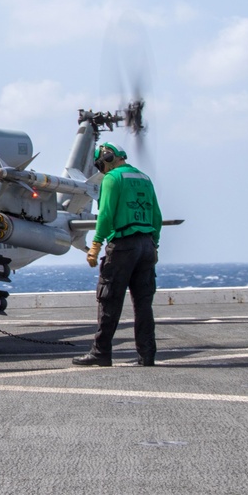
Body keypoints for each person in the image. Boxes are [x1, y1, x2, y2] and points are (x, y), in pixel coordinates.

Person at [74, 142, 162, 368]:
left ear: (108, 157)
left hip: (123, 246)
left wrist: (95, 244)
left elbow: (105, 215)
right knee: (143, 304)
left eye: (99, 163)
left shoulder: (113, 179)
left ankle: (101, 352)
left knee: (109, 299)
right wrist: (155, 245)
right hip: (146, 246)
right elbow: (157, 217)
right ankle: (147, 355)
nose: (100, 168)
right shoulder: (144, 178)